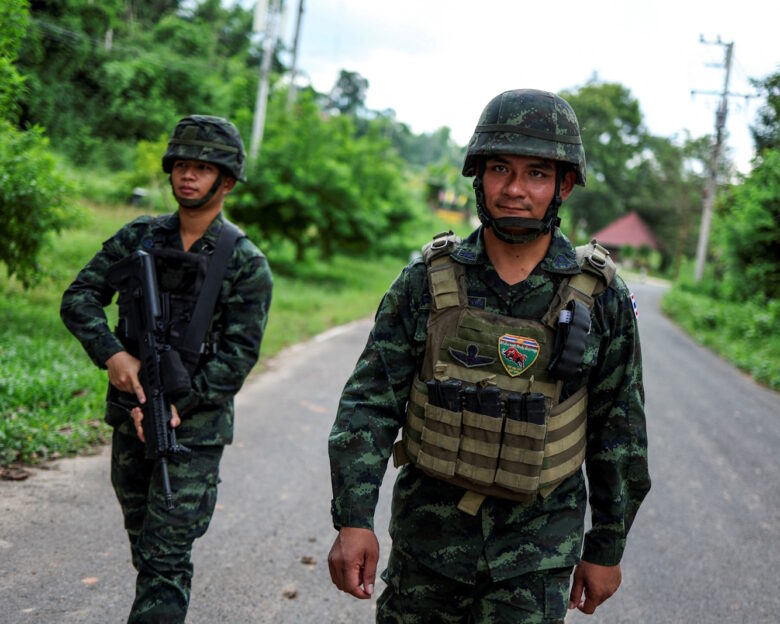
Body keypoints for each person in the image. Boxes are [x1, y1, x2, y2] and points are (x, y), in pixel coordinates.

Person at [327, 89, 650, 623]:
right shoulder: (426, 282)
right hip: (427, 551)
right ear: (478, 175)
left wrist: (606, 548)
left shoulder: (601, 296)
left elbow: (620, 430)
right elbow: (369, 402)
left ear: (564, 184)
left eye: (537, 174)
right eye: (500, 168)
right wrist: (353, 518)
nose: (516, 189)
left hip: (536, 560)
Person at [61, 115, 272, 624]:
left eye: (202, 168)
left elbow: (237, 357)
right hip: (129, 415)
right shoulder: (139, 237)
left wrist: (176, 406)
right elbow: (80, 298)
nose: (187, 176)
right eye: (181, 165)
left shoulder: (245, 263)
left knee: (165, 558)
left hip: (193, 433)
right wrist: (114, 354)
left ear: (226, 180)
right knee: (146, 548)